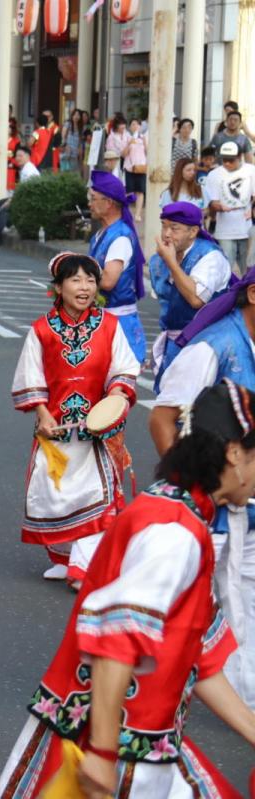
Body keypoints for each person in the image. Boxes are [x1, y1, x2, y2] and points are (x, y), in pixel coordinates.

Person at [0, 381, 255, 799]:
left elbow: (197, 655)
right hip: (119, 750)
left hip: (138, 738)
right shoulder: (176, 533)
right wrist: (101, 749)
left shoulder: (176, 510)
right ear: (235, 454)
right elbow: (115, 636)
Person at [150, 272, 255, 707]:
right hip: (217, 506)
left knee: (241, 601)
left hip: (247, 498)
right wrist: (199, 489)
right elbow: (162, 418)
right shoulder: (213, 347)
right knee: (219, 602)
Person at [11, 253, 140, 583]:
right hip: (56, 430)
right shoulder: (42, 330)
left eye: (90, 280)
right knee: (52, 493)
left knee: (95, 495)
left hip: (99, 433)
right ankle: (64, 558)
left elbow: (124, 369)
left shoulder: (109, 326)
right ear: (58, 287)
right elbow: (31, 375)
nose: (85, 287)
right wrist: (41, 413)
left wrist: (114, 399)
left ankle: (84, 567)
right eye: (76, 280)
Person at [148, 202, 231, 383]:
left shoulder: (210, 256)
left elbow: (196, 299)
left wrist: (171, 263)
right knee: (169, 402)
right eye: (164, 226)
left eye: (174, 228)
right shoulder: (157, 260)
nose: (167, 234)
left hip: (205, 343)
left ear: (193, 232)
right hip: (173, 342)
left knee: (196, 404)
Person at [87, 170, 148, 363]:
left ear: (109, 203)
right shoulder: (101, 234)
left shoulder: (120, 237)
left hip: (117, 323)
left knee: (116, 388)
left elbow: (107, 281)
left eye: (94, 199)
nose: (90, 203)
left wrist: (74, 281)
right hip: (102, 319)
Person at [205, 141, 255, 275]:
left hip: (246, 227)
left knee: (249, 268)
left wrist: (253, 210)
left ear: (240, 157)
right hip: (225, 229)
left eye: (231, 160)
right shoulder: (214, 174)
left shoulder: (251, 170)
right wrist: (219, 206)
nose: (227, 163)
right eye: (224, 160)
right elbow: (212, 202)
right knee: (226, 268)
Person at [0, 146, 40, 247]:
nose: (18, 158)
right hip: (27, 199)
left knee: (4, 209)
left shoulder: (28, 171)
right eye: (16, 155)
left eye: (20, 156)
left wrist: (11, 201)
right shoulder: (27, 168)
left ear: (28, 156)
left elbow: (24, 193)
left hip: (30, 202)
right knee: (2, 202)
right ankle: (8, 225)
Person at [121, 117, 148, 221]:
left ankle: (137, 214)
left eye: (137, 124)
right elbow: (123, 155)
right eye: (133, 124)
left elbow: (147, 152)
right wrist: (129, 143)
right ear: (130, 127)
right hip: (129, 168)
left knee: (140, 191)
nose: (135, 126)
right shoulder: (127, 137)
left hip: (141, 167)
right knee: (129, 191)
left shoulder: (144, 137)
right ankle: (128, 213)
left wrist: (144, 142)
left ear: (140, 126)